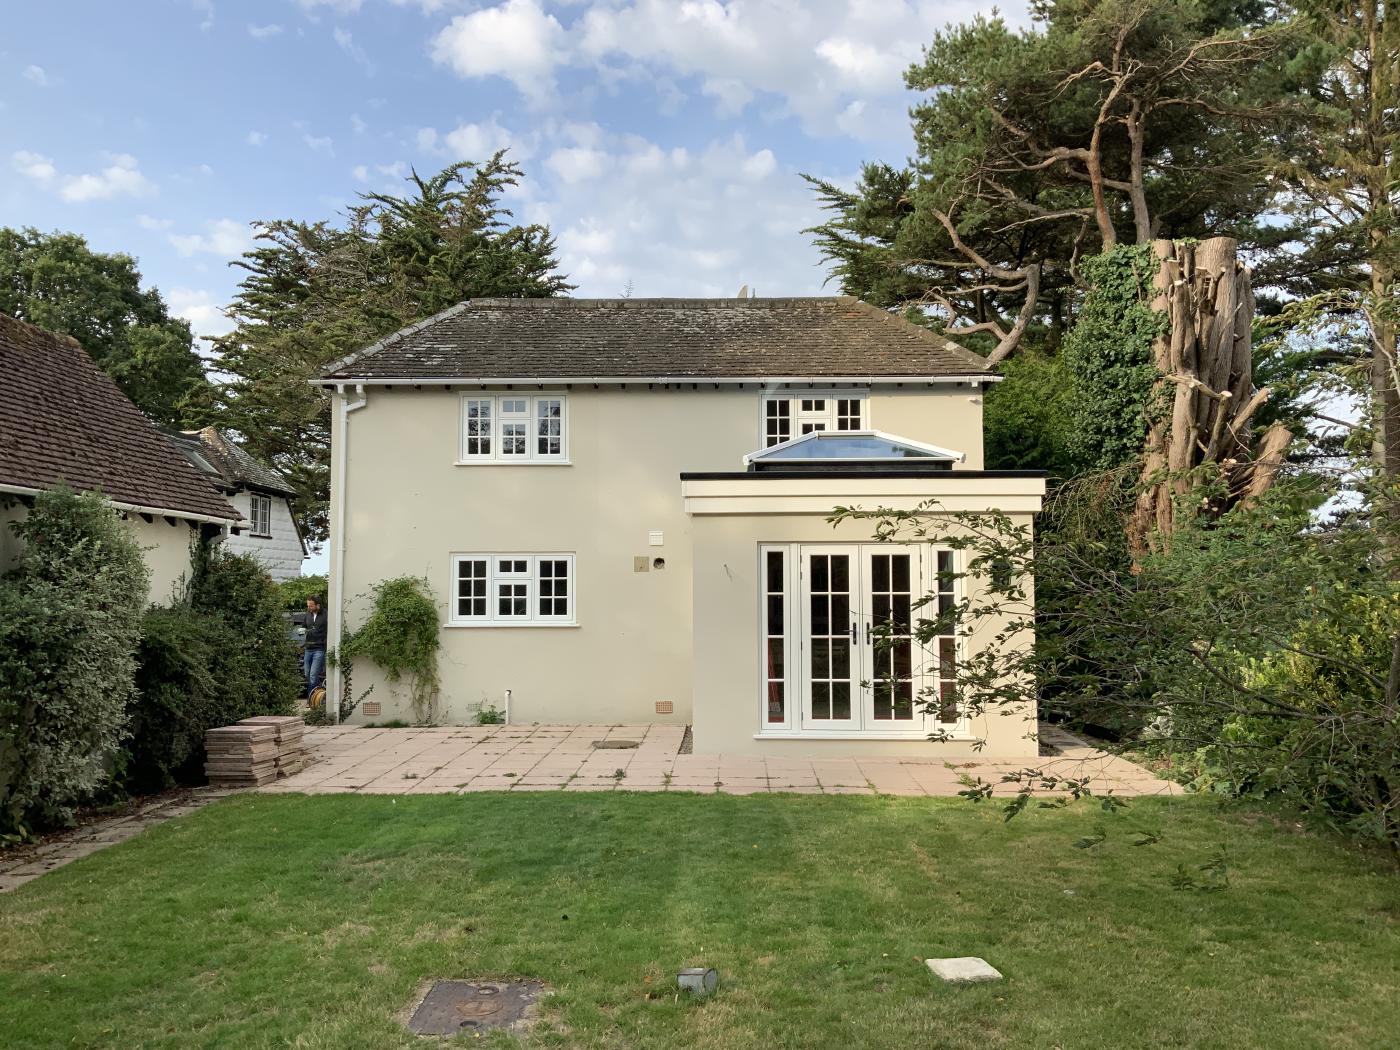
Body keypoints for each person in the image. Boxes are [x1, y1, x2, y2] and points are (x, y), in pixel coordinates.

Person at [303, 595, 327, 697]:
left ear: (318, 605)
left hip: (319, 649)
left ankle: (311, 699)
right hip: (308, 648)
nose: (309, 608)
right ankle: (319, 694)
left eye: (311, 606)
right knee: (307, 674)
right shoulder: (308, 614)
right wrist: (302, 630)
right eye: (308, 605)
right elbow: (304, 626)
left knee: (313, 675)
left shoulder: (326, 615)